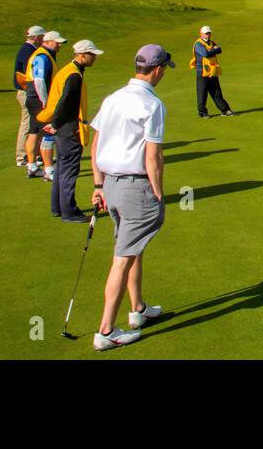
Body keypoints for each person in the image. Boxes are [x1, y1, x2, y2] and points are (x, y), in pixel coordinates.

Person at [87, 44, 173, 351]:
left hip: (110, 184)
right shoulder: (152, 104)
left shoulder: (113, 98)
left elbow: (95, 145)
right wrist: (158, 193)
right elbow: (154, 157)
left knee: (132, 247)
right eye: (164, 69)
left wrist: (98, 186)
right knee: (122, 259)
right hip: (136, 187)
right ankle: (106, 330)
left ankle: (137, 309)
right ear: (158, 69)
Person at [38, 39, 104, 222]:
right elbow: (66, 103)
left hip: (63, 128)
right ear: (82, 55)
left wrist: (55, 124)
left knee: (61, 168)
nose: (94, 58)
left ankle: (57, 207)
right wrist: (56, 124)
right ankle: (69, 212)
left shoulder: (69, 71)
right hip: (68, 129)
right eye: (92, 55)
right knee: (68, 171)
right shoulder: (74, 75)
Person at [23, 30, 66, 180]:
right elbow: (39, 81)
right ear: (47, 42)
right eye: (57, 42)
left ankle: (32, 166)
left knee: (34, 131)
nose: (59, 45)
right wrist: (45, 101)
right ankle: (49, 170)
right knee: (49, 132)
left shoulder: (44, 55)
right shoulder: (42, 56)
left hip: (32, 99)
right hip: (39, 100)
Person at [13, 25, 45, 167]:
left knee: (34, 123)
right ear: (37, 37)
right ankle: (22, 156)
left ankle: (35, 154)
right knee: (27, 124)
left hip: (28, 91)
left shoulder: (28, 49)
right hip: (27, 92)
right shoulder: (29, 51)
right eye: (42, 37)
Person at [191, 25, 235, 118]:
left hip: (213, 70)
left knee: (217, 92)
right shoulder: (198, 44)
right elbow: (205, 54)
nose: (208, 35)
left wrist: (213, 49)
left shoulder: (211, 42)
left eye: (209, 33)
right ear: (201, 34)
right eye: (206, 33)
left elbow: (219, 50)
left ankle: (225, 110)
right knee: (202, 93)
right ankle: (202, 113)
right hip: (202, 71)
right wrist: (213, 50)